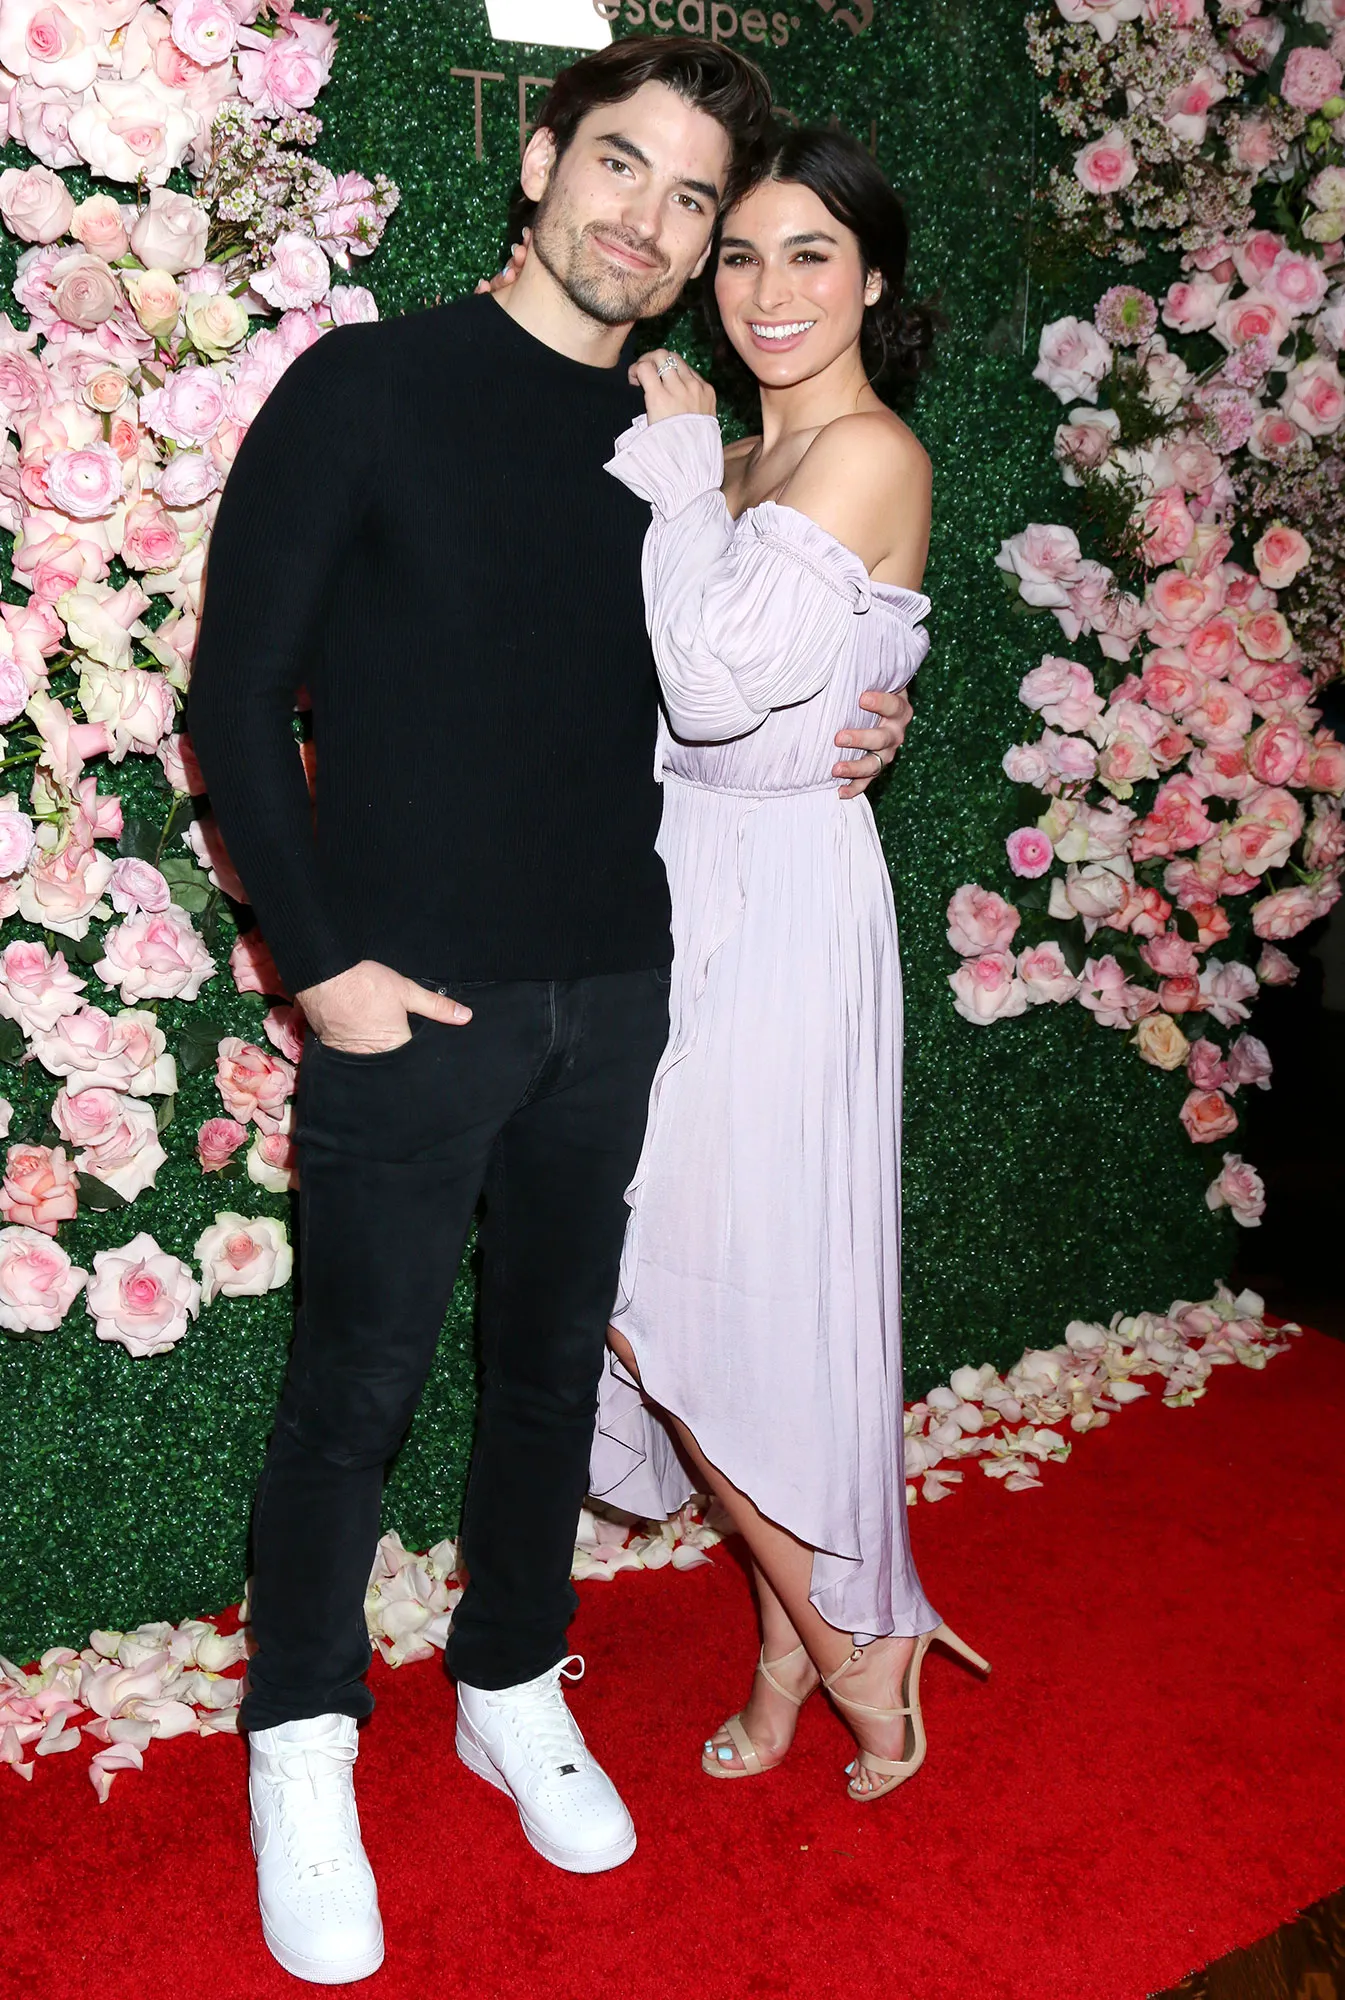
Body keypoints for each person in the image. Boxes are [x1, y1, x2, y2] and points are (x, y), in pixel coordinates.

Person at [188, 38, 910, 1987]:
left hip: (623, 991)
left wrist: (875, 703)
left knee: (547, 1379)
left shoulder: (684, 442)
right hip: (406, 1008)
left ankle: (511, 1676)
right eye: (620, 167)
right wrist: (318, 963)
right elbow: (235, 693)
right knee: (352, 1395)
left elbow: (750, 669)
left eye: (693, 200)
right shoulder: (369, 385)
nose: (649, 223)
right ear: (538, 161)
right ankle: (302, 1740)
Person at [588, 124, 989, 1805]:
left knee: (682, 1294)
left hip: (779, 906)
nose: (767, 289)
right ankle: (795, 1635)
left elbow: (709, 679)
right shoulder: (741, 458)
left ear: (873, 278)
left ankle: (848, 1637)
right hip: (671, 883)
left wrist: (682, 474)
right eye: (740, 252)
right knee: (675, 1292)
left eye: (810, 253)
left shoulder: (865, 453)